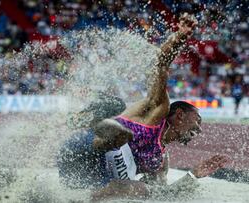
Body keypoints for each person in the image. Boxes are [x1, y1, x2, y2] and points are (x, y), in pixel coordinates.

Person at [57, 13, 229, 201]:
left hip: (87, 179)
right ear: (179, 115)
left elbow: (163, 196)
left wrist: (193, 175)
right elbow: (160, 66)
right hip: (81, 151)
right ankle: (96, 120)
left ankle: (80, 198)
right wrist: (179, 37)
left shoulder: (160, 162)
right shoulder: (157, 112)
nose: (199, 129)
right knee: (118, 119)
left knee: (144, 190)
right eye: (197, 121)